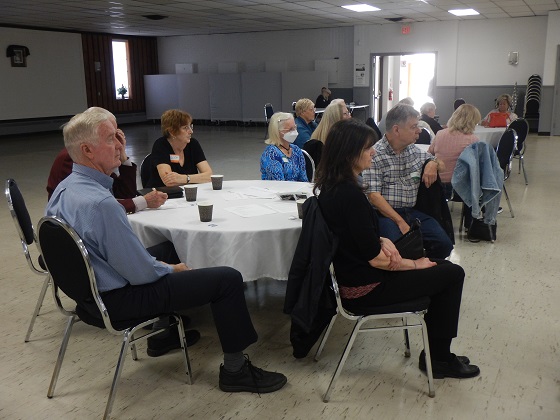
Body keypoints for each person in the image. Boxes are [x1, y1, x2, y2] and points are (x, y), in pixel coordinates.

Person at [46, 110, 287, 394]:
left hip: (88, 295)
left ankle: (164, 335)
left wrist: (161, 260)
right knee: (228, 280)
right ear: (86, 150)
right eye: (111, 139)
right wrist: (170, 268)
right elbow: (140, 273)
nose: (121, 145)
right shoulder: (102, 205)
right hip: (119, 300)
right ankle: (236, 370)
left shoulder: (66, 189)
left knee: (168, 247)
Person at [315, 118, 479, 379]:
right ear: (349, 153)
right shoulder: (351, 196)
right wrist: (415, 264)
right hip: (365, 289)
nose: (374, 151)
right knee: (451, 274)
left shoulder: (332, 188)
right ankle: (438, 359)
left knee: (443, 268)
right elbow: (376, 261)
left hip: (352, 277)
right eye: (368, 148)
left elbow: (350, 235)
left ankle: (438, 354)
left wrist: (381, 239)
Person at [362, 104, 454, 259]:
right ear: (396, 130)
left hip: (411, 211)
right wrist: (399, 222)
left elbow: (442, 165)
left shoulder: (413, 150)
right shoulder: (375, 154)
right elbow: (374, 196)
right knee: (400, 249)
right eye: (413, 127)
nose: (418, 130)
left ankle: (423, 271)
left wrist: (433, 164)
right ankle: (408, 273)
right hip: (385, 214)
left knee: (444, 245)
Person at [46, 107, 167, 214]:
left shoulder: (97, 160)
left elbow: (124, 193)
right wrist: (144, 201)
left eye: (117, 135)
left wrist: (123, 156)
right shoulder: (73, 157)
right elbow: (98, 205)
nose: (118, 143)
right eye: (110, 137)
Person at [145, 109, 212, 188]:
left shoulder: (193, 144)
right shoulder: (161, 145)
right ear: (172, 132)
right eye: (185, 128)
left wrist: (184, 178)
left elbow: (209, 176)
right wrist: (196, 179)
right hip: (162, 196)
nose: (191, 131)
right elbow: (169, 182)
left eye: (191, 126)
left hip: (188, 194)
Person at [428, 104, 481, 199]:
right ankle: (477, 209)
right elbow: (476, 166)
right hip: (459, 188)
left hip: (437, 183)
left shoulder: (440, 134)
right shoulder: (473, 140)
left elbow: (429, 154)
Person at [303, 99, 350, 170]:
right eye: (345, 114)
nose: (349, 117)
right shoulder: (338, 140)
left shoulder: (317, 132)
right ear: (336, 117)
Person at [260, 112, 308, 182]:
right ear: (278, 131)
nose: (295, 131)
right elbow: (278, 183)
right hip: (278, 191)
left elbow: (303, 179)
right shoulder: (271, 154)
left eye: (295, 127)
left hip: (297, 191)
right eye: (290, 129)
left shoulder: (296, 150)